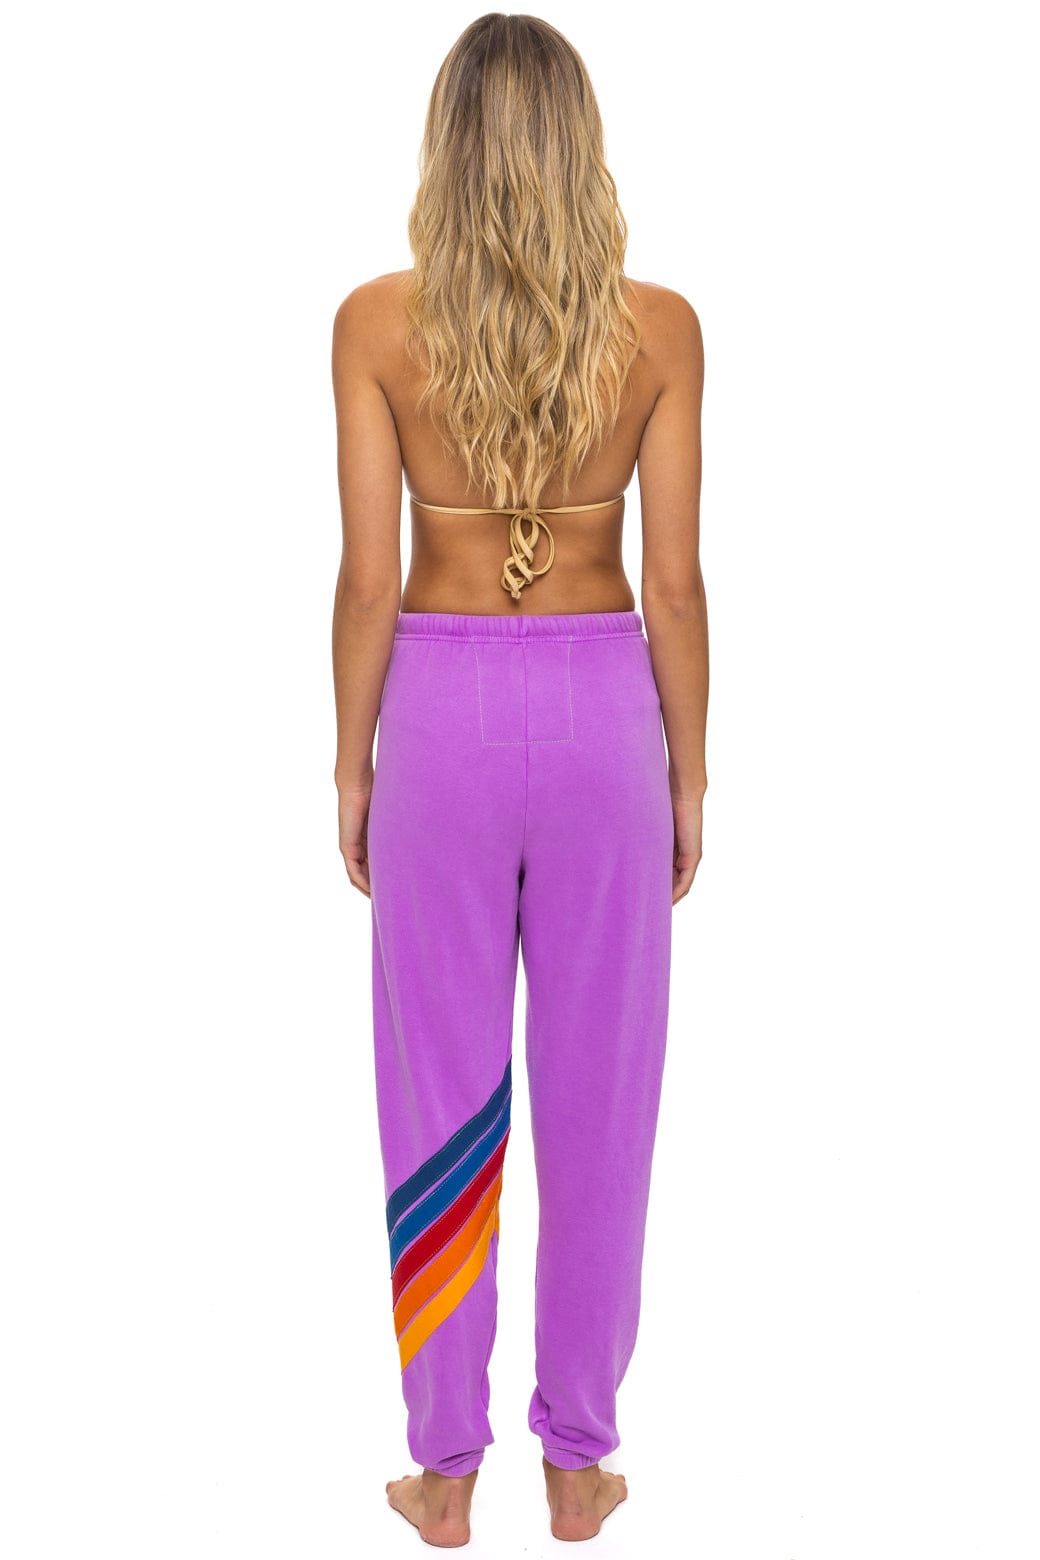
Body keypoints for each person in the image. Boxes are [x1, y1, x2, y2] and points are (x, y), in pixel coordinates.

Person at [330, 13, 707, 1547]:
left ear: (449, 146)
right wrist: (693, 774)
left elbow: (371, 579)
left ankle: (443, 1471)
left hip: (439, 719)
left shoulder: (375, 326)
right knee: (604, 1091)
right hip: (609, 715)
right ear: (578, 145)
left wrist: (349, 763)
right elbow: (671, 585)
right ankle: (579, 1463)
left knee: (439, 1087)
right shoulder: (660, 331)